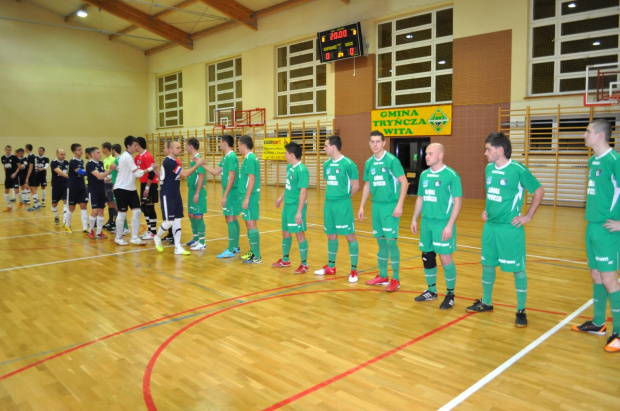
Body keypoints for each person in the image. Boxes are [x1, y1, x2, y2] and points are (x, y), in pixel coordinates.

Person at [466, 132, 544, 328]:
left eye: (488, 149)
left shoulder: (518, 170)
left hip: (510, 229)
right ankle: (486, 302)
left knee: (517, 270)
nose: (485, 153)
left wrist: (528, 216)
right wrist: (486, 209)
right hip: (490, 227)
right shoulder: (489, 169)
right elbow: (492, 193)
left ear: (500, 150)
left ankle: (521, 310)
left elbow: (539, 190)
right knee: (487, 265)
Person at [571, 119, 620, 353]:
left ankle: (618, 331)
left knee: (610, 280)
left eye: (588, 131)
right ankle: (599, 323)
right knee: (596, 275)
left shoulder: (614, 161)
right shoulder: (592, 161)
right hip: (591, 226)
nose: (584, 135)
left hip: (608, 229)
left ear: (600, 135)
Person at [410, 143, 463, 309]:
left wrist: (449, 225)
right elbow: (420, 198)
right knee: (427, 256)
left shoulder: (451, 175)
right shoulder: (424, 175)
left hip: (442, 223)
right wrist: (414, 219)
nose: (426, 156)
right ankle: (431, 291)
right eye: (426, 153)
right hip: (426, 222)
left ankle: (450, 294)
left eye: (430, 153)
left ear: (440, 155)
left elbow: (457, 202)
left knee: (445, 258)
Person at [358, 131, 409, 292]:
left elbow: (404, 183)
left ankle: (396, 279)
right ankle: (382, 275)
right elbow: (367, 185)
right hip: (376, 206)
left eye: (378, 141)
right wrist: (361, 206)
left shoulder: (392, 161)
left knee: (391, 242)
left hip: (390, 206)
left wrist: (399, 205)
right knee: (381, 242)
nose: (375, 144)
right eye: (372, 141)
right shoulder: (369, 162)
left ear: (384, 143)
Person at [314, 135, 360, 283]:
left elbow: (356, 186)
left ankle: (353, 270)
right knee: (331, 235)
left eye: (325, 146)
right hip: (329, 204)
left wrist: (345, 199)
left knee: (349, 236)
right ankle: (331, 267)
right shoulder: (327, 164)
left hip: (343, 204)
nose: (324, 148)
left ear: (333, 147)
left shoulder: (348, 164)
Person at [153, 140, 205, 255]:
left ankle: (178, 247)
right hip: (167, 195)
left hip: (176, 194)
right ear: (171, 150)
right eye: (178, 148)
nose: (180, 150)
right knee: (169, 221)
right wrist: (198, 164)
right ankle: (157, 236)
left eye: (181, 147)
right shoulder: (168, 162)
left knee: (177, 221)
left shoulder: (175, 162)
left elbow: (163, 176)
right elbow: (185, 174)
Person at [272, 142, 310, 274]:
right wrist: (281, 198)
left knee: (299, 234)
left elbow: (303, 192)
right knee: (285, 232)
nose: (284, 155)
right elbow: (288, 185)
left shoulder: (302, 170)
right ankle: (285, 259)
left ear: (292, 155)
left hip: (296, 206)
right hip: (287, 205)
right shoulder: (290, 167)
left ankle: (304, 264)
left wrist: (299, 211)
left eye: (286, 153)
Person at [203, 135, 241, 258]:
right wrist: (201, 164)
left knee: (230, 218)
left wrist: (225, 196)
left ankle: (230, 249)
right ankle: (235, 246)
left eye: (219, 142)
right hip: (229, 191)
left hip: (231, 192)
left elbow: (232, 176)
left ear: (224, 143)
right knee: (232, 218)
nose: (219, 144)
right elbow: (215, 172)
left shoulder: (231, 157)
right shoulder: (226, 157)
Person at [113, 136, 148, 246]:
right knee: (122, 214)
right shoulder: (126, 157)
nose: (136, 147)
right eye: (134, 145)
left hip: (131, 188)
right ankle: (118, 237)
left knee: (137, 211)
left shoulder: (129, 157)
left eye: (137, 145)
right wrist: (151, 169)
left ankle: (134, 237)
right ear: (128, 146)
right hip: (121, 188)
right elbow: (137, 173)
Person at [238, 135, 262, 264]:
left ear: (243, 145)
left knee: (251, 224)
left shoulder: (251, 159)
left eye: (238, 144)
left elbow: (252, 179)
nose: (238, 147)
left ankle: (257, 256)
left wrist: (247, 198)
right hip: (248, 195)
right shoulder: (248, 158)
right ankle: (253, 251)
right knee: (248, 224)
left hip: (251, 196)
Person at [86, 147, 115, 239]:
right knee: (94, 211)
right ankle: (91, 231)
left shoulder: (101, 163)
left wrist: (108, 179)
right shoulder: (90, 164)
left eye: (99, 152)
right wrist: (111, 170)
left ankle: (99, 232)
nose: (100, 154)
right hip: (93, 191)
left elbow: (103, 177)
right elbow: (99, 176)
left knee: (101, 211)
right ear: (93, 154)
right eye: (98, 152)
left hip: (101, 190)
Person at [185, 138, 207, 251]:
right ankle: (196, 238)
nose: (185, 147)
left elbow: (201, 176)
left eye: (186, 145)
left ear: (190, 146)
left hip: (197, 191)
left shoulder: (198, 159)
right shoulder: (193, 159)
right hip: (191, 190)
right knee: (191, 214)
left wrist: (197, 193)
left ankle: (202, 242)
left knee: (198, 215)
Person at [135, 137, 159, 239]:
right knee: (144, 207)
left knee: (149, 207)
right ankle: (149, 230)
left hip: (150, 184)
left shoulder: (147, 156)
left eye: (135, 144)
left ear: (139, 144)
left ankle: (153, 231)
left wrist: (147, 188)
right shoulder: (137, 157)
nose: (134, 146)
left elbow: (152, 173)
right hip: (143, 183)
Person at [63, 143, 89, 234]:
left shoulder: (81, 161)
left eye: (81, 149)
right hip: (73, 187)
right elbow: (79, 171)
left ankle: (85, 227)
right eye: (78, 150)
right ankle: (67, 224)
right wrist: (90, 171)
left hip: (81, 187)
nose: (81, 151)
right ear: (74, 151)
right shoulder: (72, 161)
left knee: (83, 206)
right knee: (71, 207)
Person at [101, 142, 118, 231]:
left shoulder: (113, 159)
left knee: (112, 203)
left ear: (106, 148)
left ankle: (115, 222)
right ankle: (110, 221)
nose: (101, 150)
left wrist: (111, 178)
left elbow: (114, 171)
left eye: (102, 148)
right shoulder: (105, 159)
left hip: (111, 183)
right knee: (109, 202)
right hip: (105, 183)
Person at [50, 149, 69, 225]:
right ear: (57, 154)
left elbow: (68, 171)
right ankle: (56, 216)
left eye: (64, 154)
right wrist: (70, 176)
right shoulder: (54, 163)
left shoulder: (67, 162)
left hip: (65, 185)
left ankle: (65, 220)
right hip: (56, 186)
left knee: (65, 201)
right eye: (61, 154)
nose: (63, 156)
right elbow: (60, 173)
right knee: (54, 203)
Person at [2, 145, 19, 212]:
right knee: (6, 191)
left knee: (16, 190)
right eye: (7, 149)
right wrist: (7, 174)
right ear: (5, 150)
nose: (8, 151)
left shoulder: (14, 157)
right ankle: (9, 206)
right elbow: (4, 166)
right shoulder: (3, 157)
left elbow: (19, 166)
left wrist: (15, 173)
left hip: (14, 176)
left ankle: (21, 200)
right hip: (8, 177)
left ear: (10, 150)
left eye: (9, 150)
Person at [25, 144, 37, 208]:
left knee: (32, 189)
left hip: (32, 175)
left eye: (25, 148)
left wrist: (27, 177)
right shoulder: (31, 156)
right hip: (33, 174)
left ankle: (36, 204)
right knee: (33, 189)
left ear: (27, 148)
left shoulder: (31, 156)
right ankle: (36, 203)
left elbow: (31, 167)